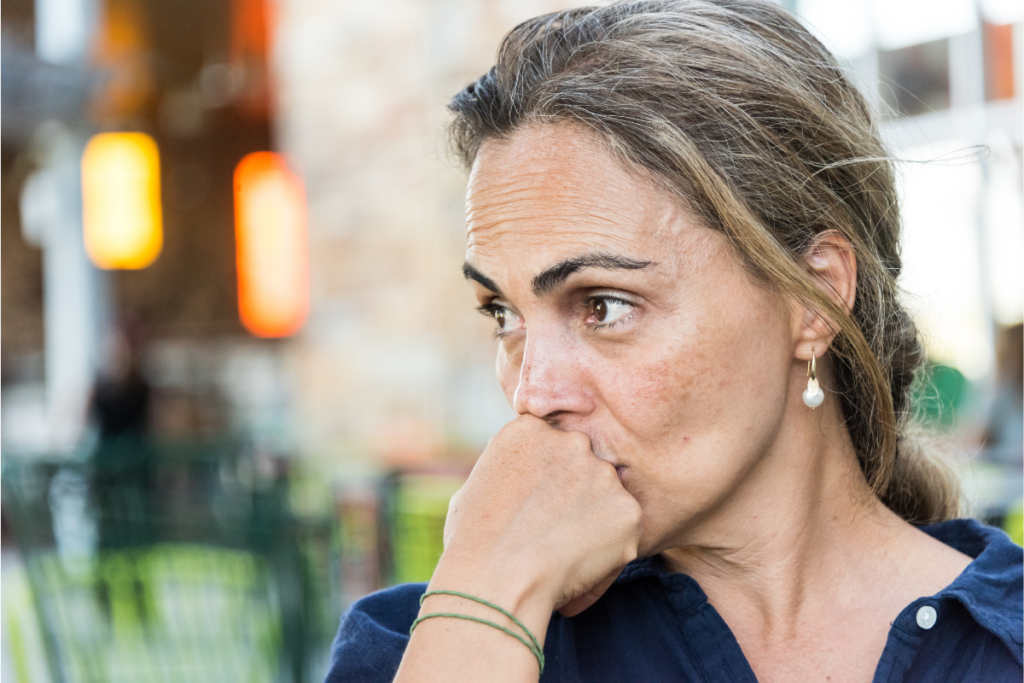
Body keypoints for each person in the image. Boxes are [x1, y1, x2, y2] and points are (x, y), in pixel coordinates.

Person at [325, 1, 1023, 681]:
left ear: (813, 298)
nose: (531, 394)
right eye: (502, 314)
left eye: (602, 305)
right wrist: (491, 590)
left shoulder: (1002, 644)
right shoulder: (425, 646)